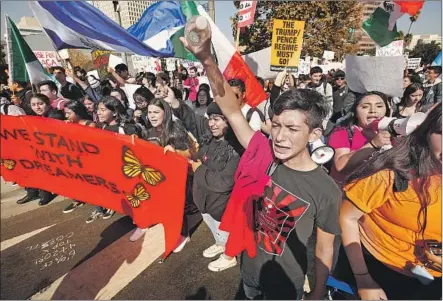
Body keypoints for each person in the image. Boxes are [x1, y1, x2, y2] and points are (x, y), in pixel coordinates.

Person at [181, 30, 342, 300]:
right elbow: (231, 109)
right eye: (276, 125)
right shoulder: (262, 151)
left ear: (315, 134)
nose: (279, 136)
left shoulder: (326, 190)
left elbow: (326, 248)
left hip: (286, 284)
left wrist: (317, 292)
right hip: (249, 270)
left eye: (292, 128)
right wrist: (208, 60)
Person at [339, 103, 442, 300]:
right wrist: (364, 280)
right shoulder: (392, 172)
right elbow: (347, 217)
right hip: (382, 271)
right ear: (428, 132)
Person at [130, 98, 201, 253]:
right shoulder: (148, 131)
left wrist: (175, 152)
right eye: (150, 112)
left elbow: (191, 152)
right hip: (158, 177)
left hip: (179, 178)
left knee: (176, 206)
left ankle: (183, 234)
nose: (152, 116)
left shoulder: (175, 129)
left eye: (156, 112)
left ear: (166, 113)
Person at [190, 102, 240, 272]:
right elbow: (189, 119)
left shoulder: (236, 148)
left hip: (220, 206)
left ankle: (229, 255)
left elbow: (225, 182)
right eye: (210, 119)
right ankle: (220, 244)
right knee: (213, 227)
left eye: (217, 119)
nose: (212, 123)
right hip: (204, 201)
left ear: (230, 121)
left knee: (223, 229)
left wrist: (199, 170)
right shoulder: (209, 139)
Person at [85, 96, 140, 223]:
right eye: (98, 109)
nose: (98, 112)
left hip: (128, 170)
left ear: (114, 112)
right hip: (112, 168)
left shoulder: (126, 128)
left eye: (103, 110)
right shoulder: (102, 127)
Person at [328, 92, 391, 185]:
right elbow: (340, 165)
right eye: (365, 107)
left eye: (379, 106)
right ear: (356, 112)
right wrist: (373, 144)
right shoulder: (342, 132)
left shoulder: (393, 132)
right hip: (348, 192)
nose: (373, 110)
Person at [16, 93, 64, 206]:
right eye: (33, 105)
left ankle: (45, 193)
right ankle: (37, 192)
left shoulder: (54, 115)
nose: (37, 107)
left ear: (47, 104)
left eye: (40, 104)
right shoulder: (39, 116)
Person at [62, 99, 96, 213]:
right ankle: (78, 199)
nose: (66, 116)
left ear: (77, 112)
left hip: (88, 159)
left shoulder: (90, 124)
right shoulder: (68, 124)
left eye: (69, 113)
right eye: (65, 113)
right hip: (74, 159)